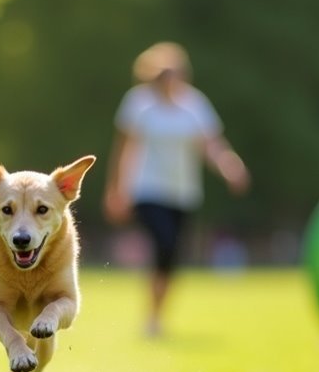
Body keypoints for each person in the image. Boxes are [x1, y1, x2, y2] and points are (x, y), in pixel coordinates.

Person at [104, 41, 250, 337]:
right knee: (164, 242)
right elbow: (124, 149)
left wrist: (230, 166)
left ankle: (156, 315)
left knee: (171, 257)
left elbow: (211, 144)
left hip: (183, 193)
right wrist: (117, 189)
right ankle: (152, 317)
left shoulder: (194, 105)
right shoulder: (138, 103)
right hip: (147, 189)